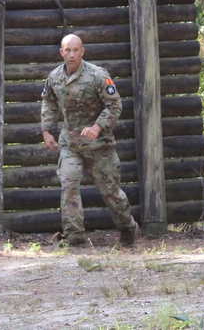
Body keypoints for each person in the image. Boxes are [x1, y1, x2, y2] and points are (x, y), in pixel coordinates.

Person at [41, 33, 139, 247]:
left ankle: (128, 227)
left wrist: (97, 127)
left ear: (82, 52)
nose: (72, 54)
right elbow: (49, 102)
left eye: (76, 50)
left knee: (110, 192)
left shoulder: (97, 75)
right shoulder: (55, 77)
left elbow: (115, 105)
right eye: (68, 50)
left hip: (99, 145)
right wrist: (47, 131)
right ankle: (74, 235)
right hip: (71, 145)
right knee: (69, 186)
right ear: (61, 52)